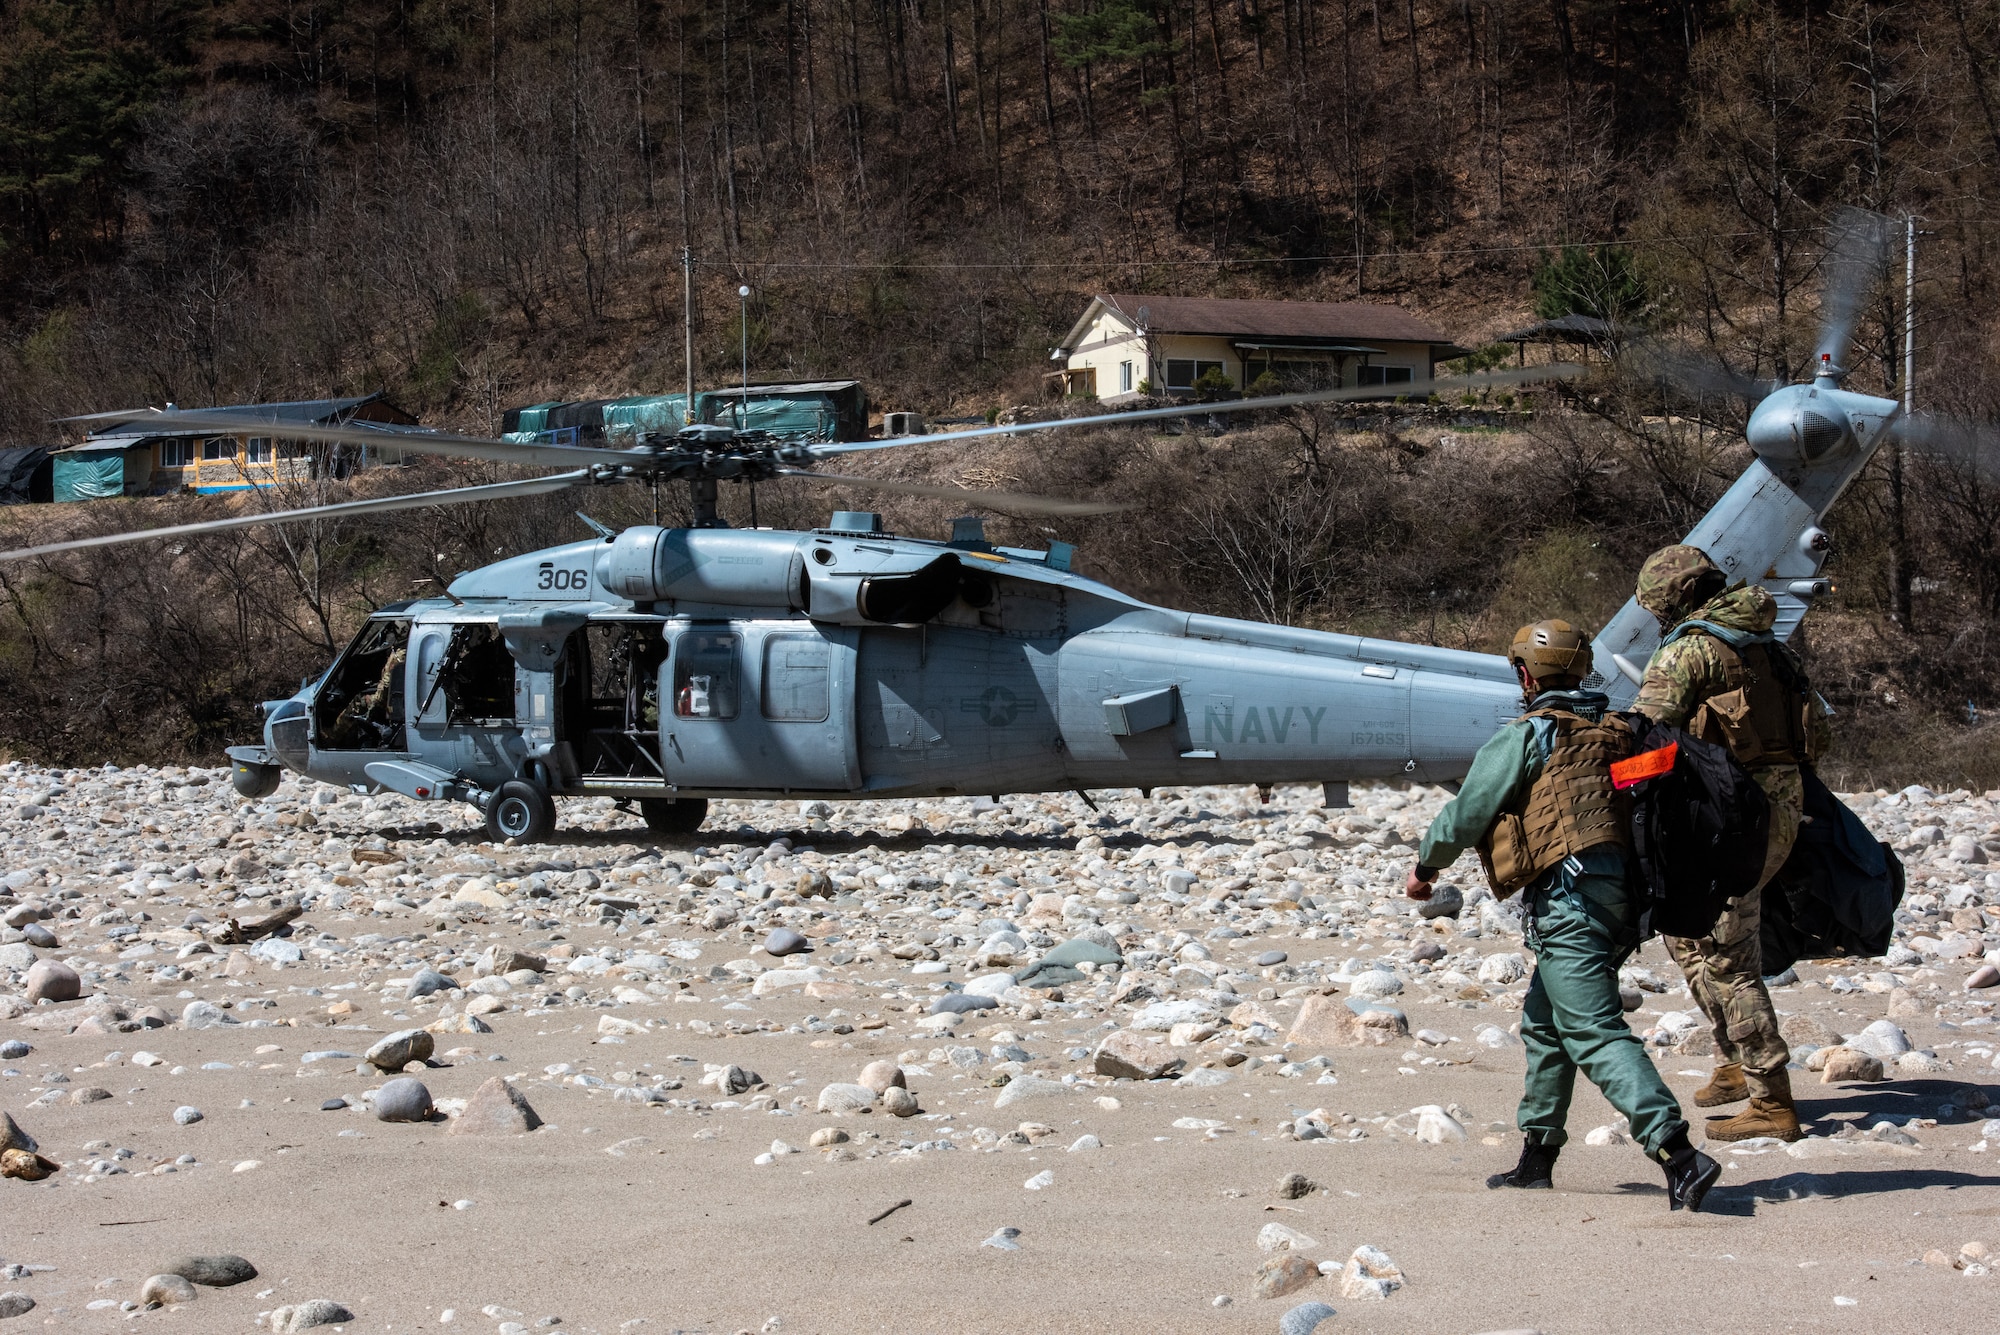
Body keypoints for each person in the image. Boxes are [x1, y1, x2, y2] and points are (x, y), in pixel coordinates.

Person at [1407, 619, 1722, 1212]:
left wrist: (1426, 870)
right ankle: (1537, 1158)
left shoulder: (1530, 735)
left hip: (1570, 904)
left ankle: (1679, 1154)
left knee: (1592, 1030)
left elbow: (1467, 813)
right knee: (1545, 1026)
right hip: (1625, 903)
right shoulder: (1621, 731)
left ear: (1525, 674)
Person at [1632, 544, 1830, 1144]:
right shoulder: (1770, 646)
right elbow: (1814, 732)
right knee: (1687, 934)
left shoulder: (1688, 650)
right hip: (1777, 807)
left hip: (1727, 818)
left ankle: (1772, 1099)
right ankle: (1735, 1061)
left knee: (1726, 955)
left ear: (1674, 597)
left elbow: (1646, 738)